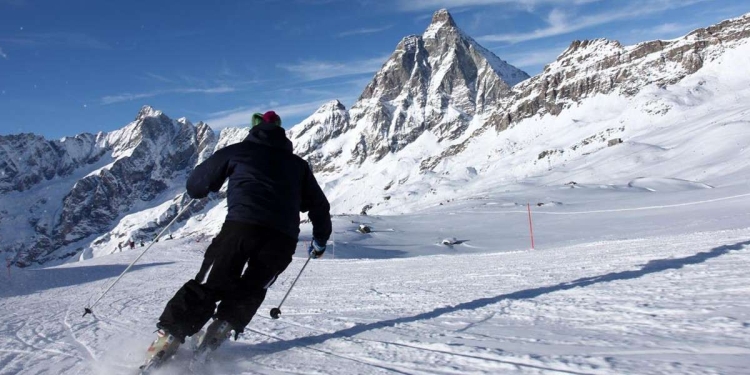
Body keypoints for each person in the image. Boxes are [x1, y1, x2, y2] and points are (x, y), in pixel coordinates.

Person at [143, 111, 331, 366]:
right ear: (281, 132)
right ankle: (218, 332)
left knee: (211, 283)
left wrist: (205, 187)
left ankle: (171, 337)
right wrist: (319, 241)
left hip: (241, 228)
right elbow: (319, 206)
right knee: (252, 288)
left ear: (254, 129)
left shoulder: (238, 151)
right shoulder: (298, 165)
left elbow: (196, 185)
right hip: (282, 239)